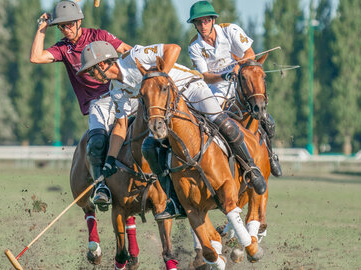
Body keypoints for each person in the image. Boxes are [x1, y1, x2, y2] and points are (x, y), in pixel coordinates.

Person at [77, 41, 267, 220]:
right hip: (165, 107)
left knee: (221, 122)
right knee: (149, 147)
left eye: (90, 70)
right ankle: (173, 200)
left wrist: (162, 80)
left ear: (102, 64)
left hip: (190, 89)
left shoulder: (134, 56)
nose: (89, 75)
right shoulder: (116, 89)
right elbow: (120, 125)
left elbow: (173, 49)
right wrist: (110, 160)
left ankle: (251, 169)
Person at [30, 1, 132, 211]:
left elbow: (127, 51)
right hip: (97, 102)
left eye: (68, 25)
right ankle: (101, 187)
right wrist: (41, 29)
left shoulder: (99, 35)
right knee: (95, 143)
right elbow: (36, 57)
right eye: (61, 26)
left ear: (78, 22)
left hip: (121, 91)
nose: (65, 30)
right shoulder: (63, 48)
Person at [187, 1, 282, 177]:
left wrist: (238, 67)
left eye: (206, 21)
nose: (203, 25)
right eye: (199, 22)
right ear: (195, 25)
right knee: (214, 122)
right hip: (216, 88)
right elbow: (205, 75)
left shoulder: (230, 30)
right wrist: (223, 76)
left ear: (213, 20)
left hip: (241, 81)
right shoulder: (194, 47)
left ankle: (271, 155)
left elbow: (250, 53)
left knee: (260, 112)